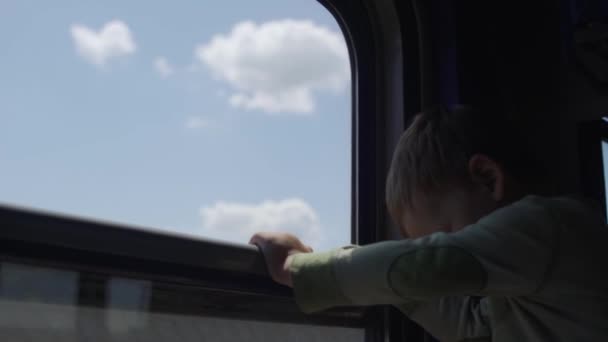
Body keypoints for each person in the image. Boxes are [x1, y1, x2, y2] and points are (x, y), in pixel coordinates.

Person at [249, 106, 608, 342]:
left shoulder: (548, 226)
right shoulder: (521, 288)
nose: (436, 256)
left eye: (444, 238)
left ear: (486, 178)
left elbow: (424, 268)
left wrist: (296, 268)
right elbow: (463, 323)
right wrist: (389, 292)